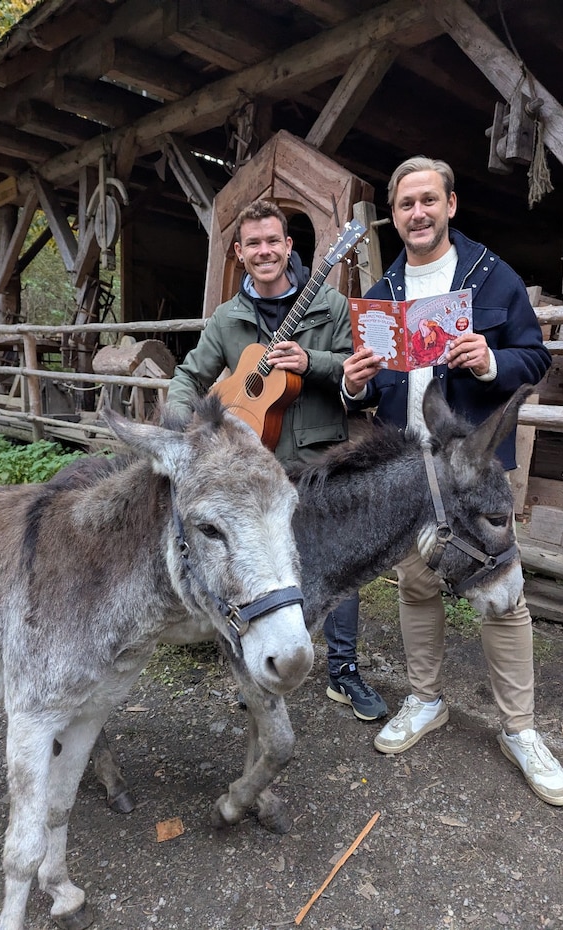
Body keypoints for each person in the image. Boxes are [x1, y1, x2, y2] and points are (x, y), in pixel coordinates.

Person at [341, 156, 563, 805]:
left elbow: (536, 357)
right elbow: (370, 387)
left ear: (450, 204)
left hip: (472, 470)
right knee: (415, 586)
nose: (416, 213)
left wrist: (491, 359)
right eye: (404, 204)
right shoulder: (384, 292)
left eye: (427, 200)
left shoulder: (490, 277)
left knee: (502, 598)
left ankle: (520, 730)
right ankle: (425, 699)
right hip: (410, 471)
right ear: (395, 215)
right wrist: (352, 381)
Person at [166, 198, 387, 722]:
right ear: (240, 253)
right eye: (253, 244)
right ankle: (257, 666)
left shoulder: (329, 307)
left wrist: (314, 363)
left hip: (316, 457)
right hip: (249, 468)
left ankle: (344, 672)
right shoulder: (228, 318)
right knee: (256, 569)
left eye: (274, 241)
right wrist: (180, 430)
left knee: (336, 562)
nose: (265, 252)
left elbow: (361, 377)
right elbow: (188, 376)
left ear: (289, 247)